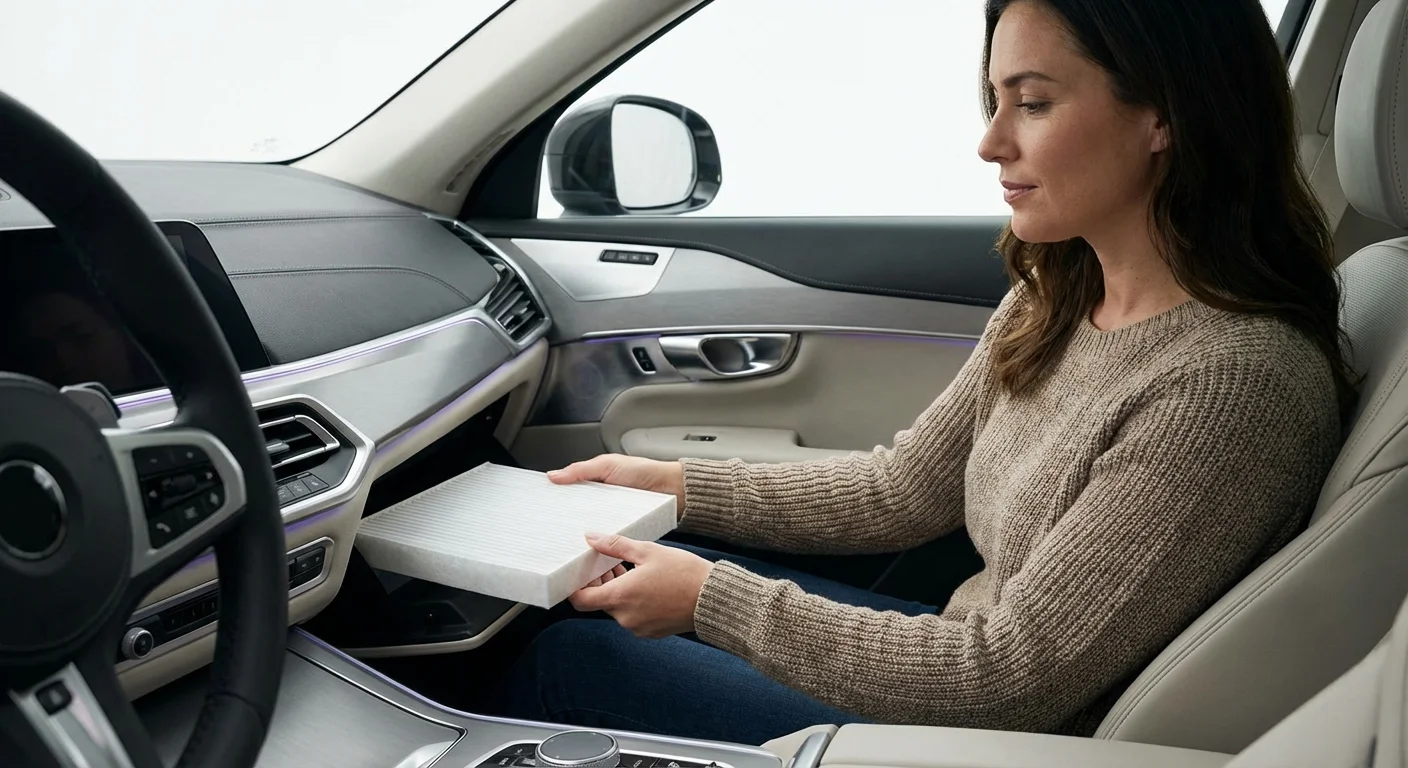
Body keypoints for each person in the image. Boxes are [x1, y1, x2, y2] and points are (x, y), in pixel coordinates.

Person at [492, 0, 1353, 744]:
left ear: (1165, 115)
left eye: (1035, 103)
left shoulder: (1230, 382)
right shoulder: (1056, 294)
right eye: (994, 100)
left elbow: (1011, 681)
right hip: (963, 662)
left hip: (1013, 735)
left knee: (578, 660)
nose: (990, 142)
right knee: (655, 548)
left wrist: (713, 603)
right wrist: (675, 487)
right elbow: (902, 491)